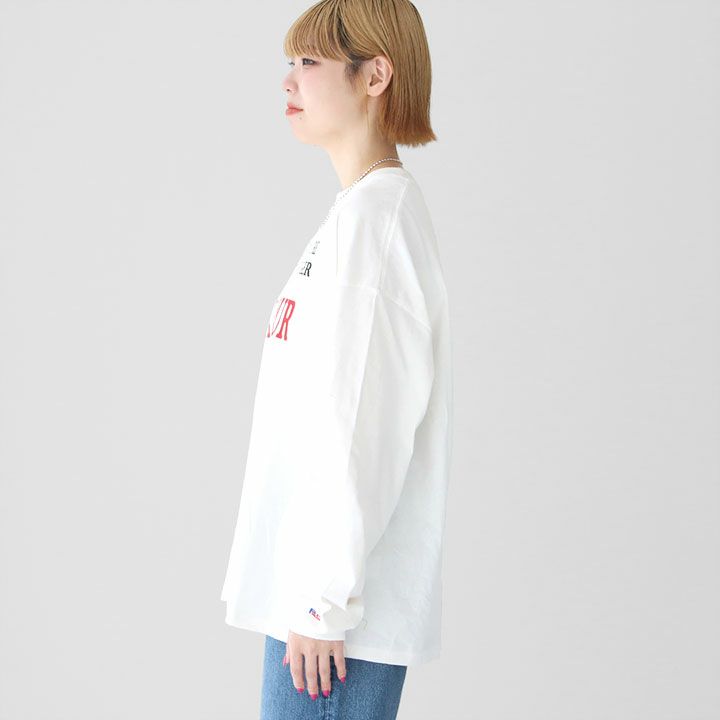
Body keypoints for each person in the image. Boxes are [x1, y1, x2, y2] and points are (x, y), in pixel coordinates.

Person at [220, 1, 453, 717]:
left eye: (309, 62)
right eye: (289, 62)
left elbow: (360, 422)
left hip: (333, 625)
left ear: (375, 75)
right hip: (317, 607)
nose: (288, 80)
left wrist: (322, 601)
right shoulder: (357, 216)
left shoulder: (374, 224)